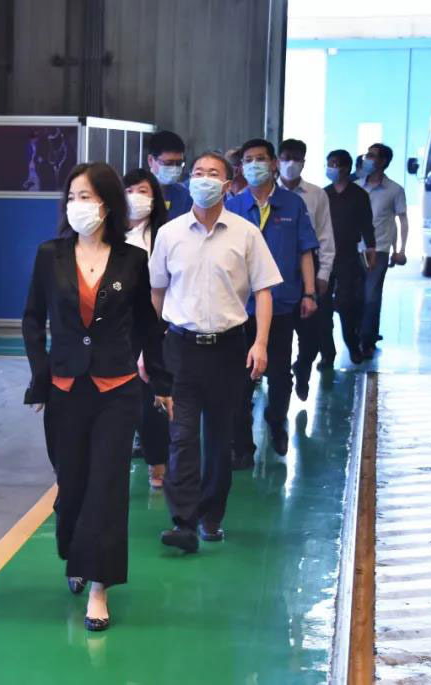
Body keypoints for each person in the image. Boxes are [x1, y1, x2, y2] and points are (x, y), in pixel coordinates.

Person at [23, 162, 169, 631]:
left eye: (85, 196)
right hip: (65, 387)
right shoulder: (50, 255)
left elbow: (148, 325)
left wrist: (160, 382)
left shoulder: (132, 260)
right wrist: (40, 376)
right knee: (72, 485)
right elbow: (32, 319)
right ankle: (75, 551)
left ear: (106, 203)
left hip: (116, 388)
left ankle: (99, 588)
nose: (76, 205)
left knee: (107, 485)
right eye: (71, 197)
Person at [149, 151, 282, 552]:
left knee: (219, 439)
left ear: (226, 185)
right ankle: (184, 522)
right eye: (198, 172)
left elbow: (264, 291)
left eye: (213, 174)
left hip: (228, 348)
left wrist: (260, 343)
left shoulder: (246, 234)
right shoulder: (169, 234)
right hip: (180, 347)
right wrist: (148, 347)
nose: (204, 179)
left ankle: (211, 517)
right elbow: (156, 293)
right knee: (182, 437)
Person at [225, 138, 319, 463]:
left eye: (260, 159)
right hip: (240, 309)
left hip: (281, 304)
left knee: (279, 373)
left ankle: (277, 422)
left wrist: (309, 292)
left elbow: (305, 251)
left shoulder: (293, 205)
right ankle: (242, 445)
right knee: (240, 379)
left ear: (274, 163)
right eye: (248, 160)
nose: (255, 165)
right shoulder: (233, 207)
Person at [122, 168, 171, 489]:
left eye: (143, 191)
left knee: (152, 400)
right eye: (129, 191)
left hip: (155, 328)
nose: (135, 198)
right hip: (116, 330)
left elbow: (161, 291)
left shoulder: (164, 236)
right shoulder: (110, 235)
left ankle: (158, 464)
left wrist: (147, 340)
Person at [277, 139, 336, 400]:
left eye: (296, 158)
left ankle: (302, 368)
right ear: (277, 160)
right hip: (277, 275)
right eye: (286, 157)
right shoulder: (268, 193)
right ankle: (280, 382)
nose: (291, 163)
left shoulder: (316, 195)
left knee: (311, 336)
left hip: (308, 275)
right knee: (278, 336)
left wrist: (323, 274)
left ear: (303, 161)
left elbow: (325, 236)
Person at [325, 149, 377, 363]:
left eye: (336, 164)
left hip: (348, 255)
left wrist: (371, 249)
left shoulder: (359, 195)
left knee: (347, 304)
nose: (332, 168)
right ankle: (327, 353)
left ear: (346, 168)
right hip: (325, 255)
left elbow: (367, 224)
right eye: (329, 164)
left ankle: (352, 345)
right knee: (323, 307)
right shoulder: (324, 194)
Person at [358, 143, 408, 358]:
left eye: (372, 156)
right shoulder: (356, 187)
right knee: (353, 296)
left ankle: (367, 339)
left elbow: (401, 220)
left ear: (383, 161)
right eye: (367, 155)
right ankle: (357, 334)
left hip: (379, 250)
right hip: (354, 249)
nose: (367, 159)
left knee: (371, 295)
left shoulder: (394, 190)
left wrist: (400, 249)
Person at [146, 130, 194, 221]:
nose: (174, 168)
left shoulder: (184, 195)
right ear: (151, 160)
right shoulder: (136, 192)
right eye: (168, 163)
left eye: (179, 163)